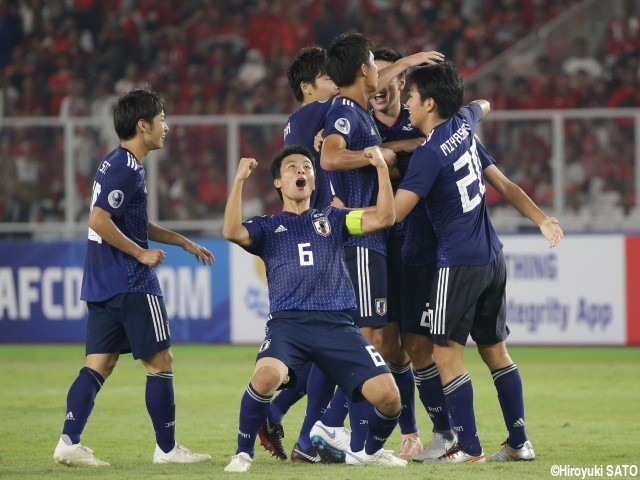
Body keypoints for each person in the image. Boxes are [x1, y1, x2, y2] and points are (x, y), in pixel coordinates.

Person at [394, 62, 563, 462]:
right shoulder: (465, 126)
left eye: (412, 98)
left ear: (430, 103)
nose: (406, 107)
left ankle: (468, 448)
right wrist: (542, 219)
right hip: (492, 256)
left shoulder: (429, 154)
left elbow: (394, 215)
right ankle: (519, 444)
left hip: (456, 262)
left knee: (445, 353)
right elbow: (502, 181)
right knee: (496, 351)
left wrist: (351, 216)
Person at [53, 89, 215, 467]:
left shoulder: (116, 162)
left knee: (99, 364)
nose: (167, 127)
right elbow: (98, 219)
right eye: (161, 120)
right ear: (143, 126)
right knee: (161, 362)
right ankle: (168, 449)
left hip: (101, 281)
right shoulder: (128, 169)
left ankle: (68, 442)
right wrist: (140, 253)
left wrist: (182, 242)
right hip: (131, 282)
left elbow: (132, 222)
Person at [222, 145, 407, 472]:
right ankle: (242, 454)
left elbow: (384, 217)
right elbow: (231, 231)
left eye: (307, 167)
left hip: (337, 325)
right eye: (292, 167)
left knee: (390, 397)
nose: (301, 172)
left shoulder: (334, 219)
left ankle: (372, 451)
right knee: (265, 378)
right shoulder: (267, 227)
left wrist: (380, 168)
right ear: (278, 182)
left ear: (314, 180)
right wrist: (238, 181)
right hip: (288, 325)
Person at [312, 32, 443, 464]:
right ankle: (334, 430)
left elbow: (382, 76)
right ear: (362, 71)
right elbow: (330, 158)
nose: (380, 73)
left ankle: (354, 439)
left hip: (373, 242)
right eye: (373, 64)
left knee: (378, 341)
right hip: (363, 239)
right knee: (368, 338)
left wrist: (411, 59)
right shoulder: (346, 113)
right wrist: (374, 157)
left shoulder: (357, 104)